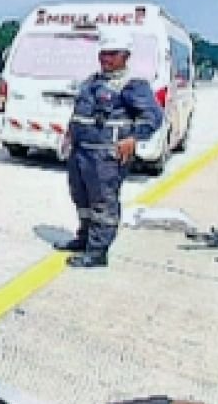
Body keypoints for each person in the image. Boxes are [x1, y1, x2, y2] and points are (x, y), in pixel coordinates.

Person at [55, 30, 163, 268]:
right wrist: (69, 134)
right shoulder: (91, 82)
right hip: (81, 152)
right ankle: (84, 239)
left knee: (103, 202)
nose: (106, 58)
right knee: (81, 198)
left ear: (125, 56)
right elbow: (80, 114)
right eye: (103, 53)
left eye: (112, 54)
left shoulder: (133, 86)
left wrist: (134, 138)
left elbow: (153, 117)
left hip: (106, 156)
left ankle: (97, 252)